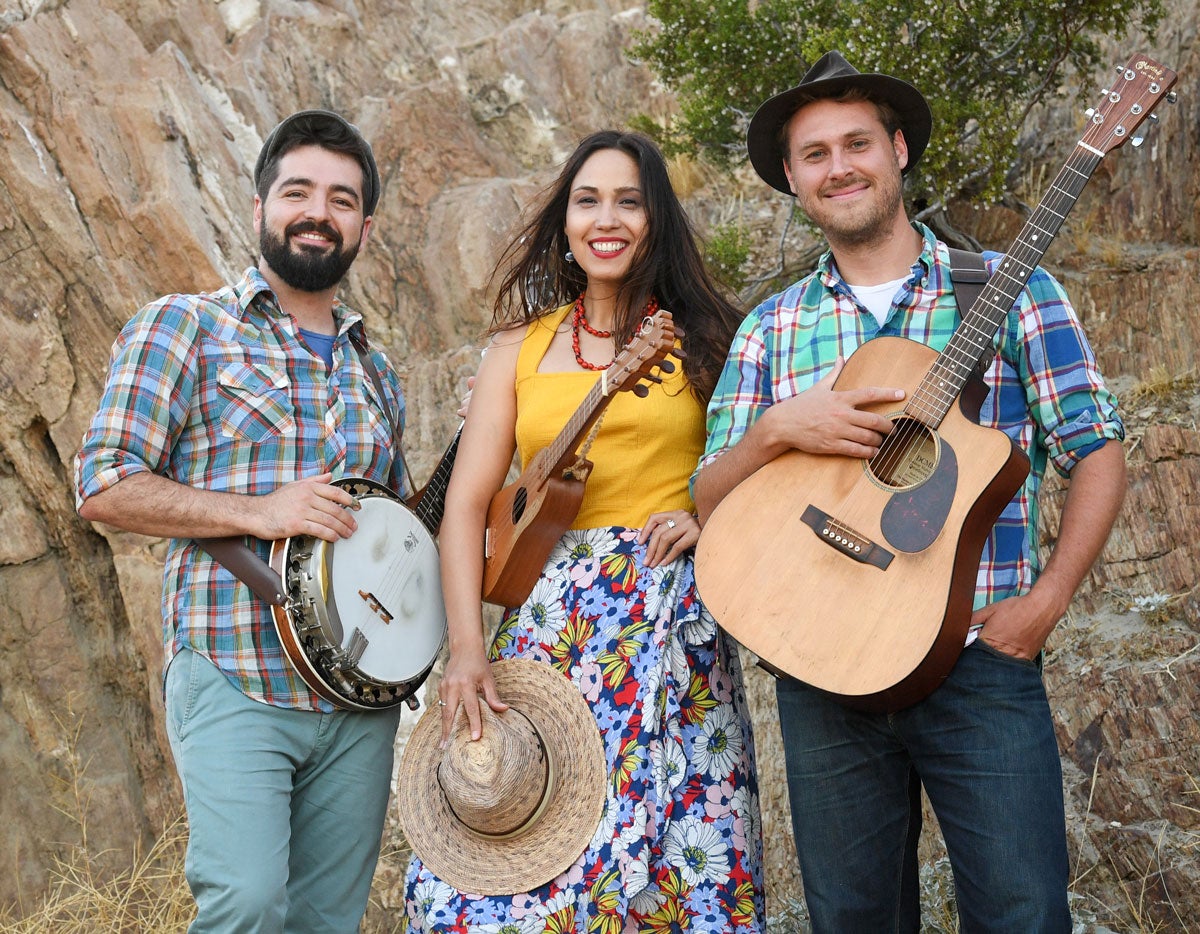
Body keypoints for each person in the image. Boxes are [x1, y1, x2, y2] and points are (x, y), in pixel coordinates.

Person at [693, 52, 1127, 931]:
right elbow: (709, 499)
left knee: (1023, 914)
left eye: (858, 143)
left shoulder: (1010, 289)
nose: (839, 167)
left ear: (897, 151)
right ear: (793, 179)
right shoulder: (772, 326)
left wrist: (1046, 602)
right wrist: (776, 431)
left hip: (977, 661)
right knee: (852, 919)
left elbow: (1097, 449)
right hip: (821, 671)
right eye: (815, 154)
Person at [403, 130, 765, 932]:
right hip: (546, 631)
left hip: (669, 626)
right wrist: (466, 651)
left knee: (679, 863)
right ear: (564, 222)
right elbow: (465, 506)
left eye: (629, 202)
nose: (607, 219)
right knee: (506, 875)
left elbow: (762, 472)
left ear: (655, 219)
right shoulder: (519, 347)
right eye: (587, 201)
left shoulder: (708, 337)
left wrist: (706, 517)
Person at [75, 110, 406, 932]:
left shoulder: (377, 372)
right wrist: (260, 510)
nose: (317, 213)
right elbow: (105, 482)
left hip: (358, 700)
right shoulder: (184, 325)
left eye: (341, 199)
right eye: (298, 192)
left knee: (328, 920)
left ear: (364, 227)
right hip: (234, 670)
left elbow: (399, 534)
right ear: (260, 207)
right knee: (247, 903)